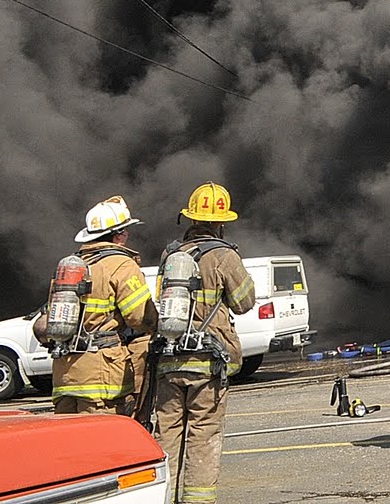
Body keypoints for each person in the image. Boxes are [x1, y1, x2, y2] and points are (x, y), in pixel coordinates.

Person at [153, 183, 256, 504]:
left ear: (190, 218)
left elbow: (161, 298)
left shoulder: (171, 255)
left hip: (169, 361)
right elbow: (244, 302)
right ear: (221, 223)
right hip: (207, 366)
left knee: (166, 435)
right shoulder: (224, 256)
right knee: (203, 436)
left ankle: (161, 497)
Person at [31, 196, 157, 414]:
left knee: (71, 442)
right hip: (102, 374)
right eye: (126, 231)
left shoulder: (70, 267)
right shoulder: (121, 264)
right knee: (104, 442)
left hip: (65, 374)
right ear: (119, 235)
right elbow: (140, 317)